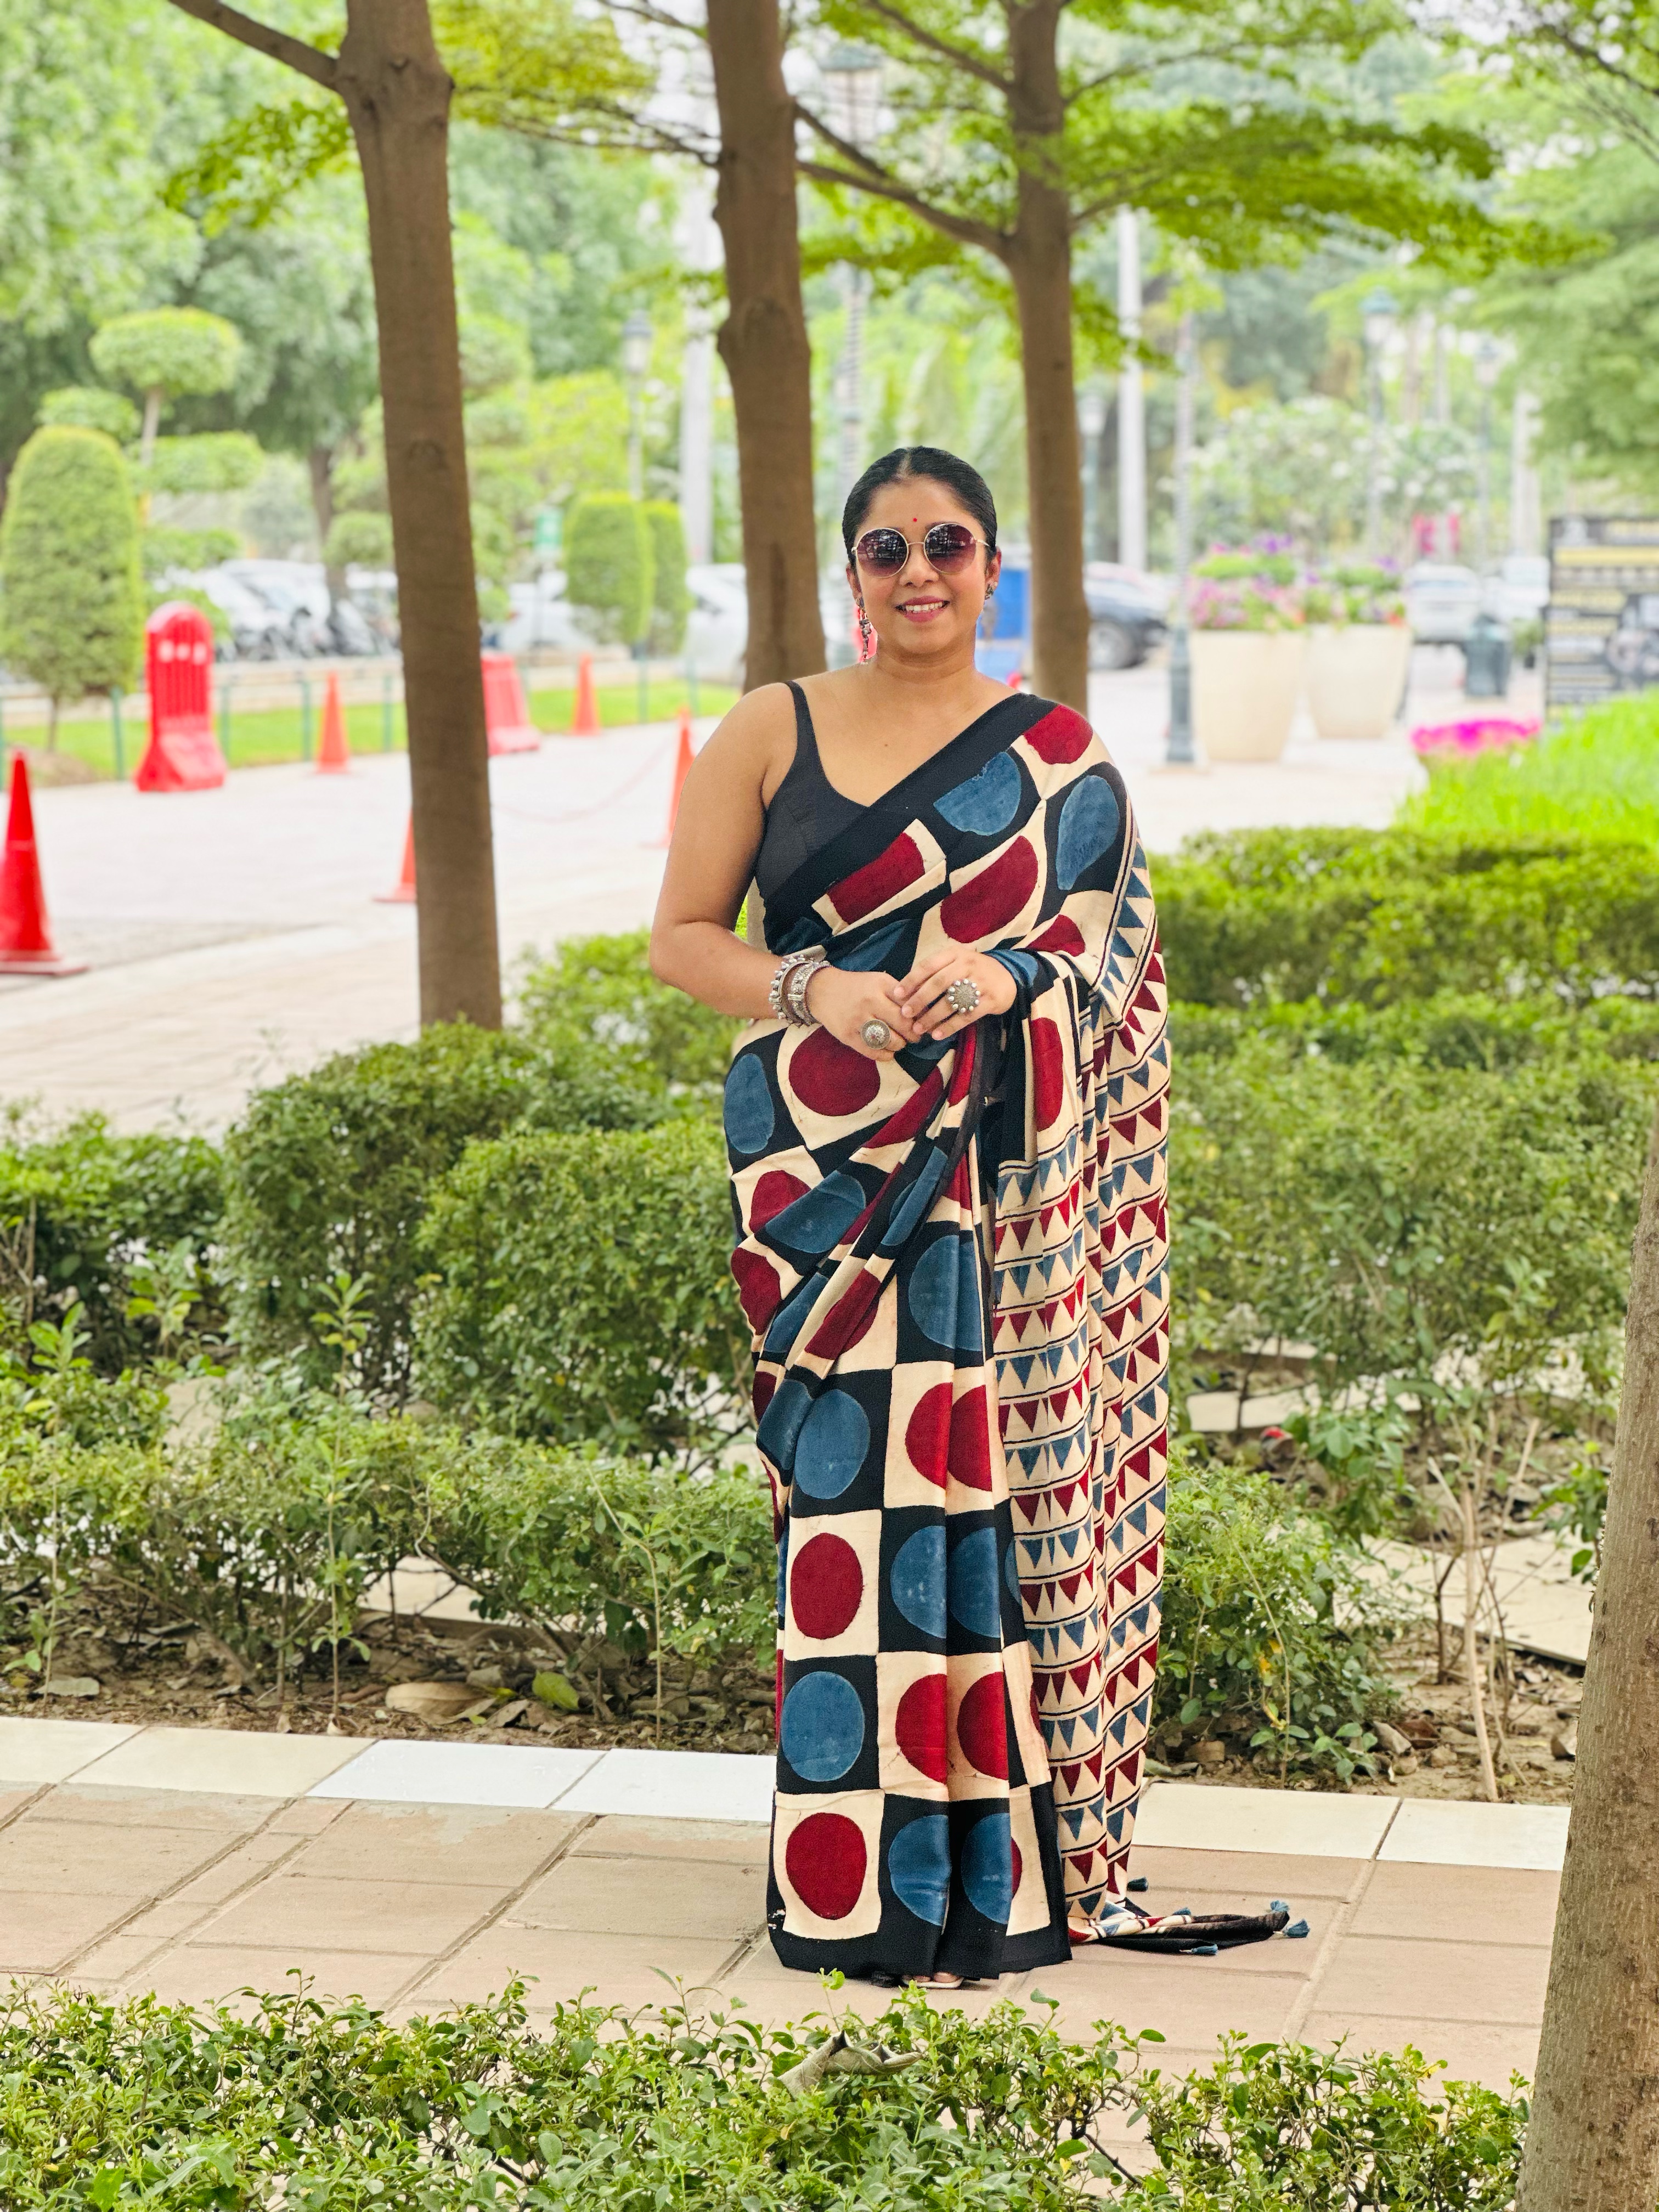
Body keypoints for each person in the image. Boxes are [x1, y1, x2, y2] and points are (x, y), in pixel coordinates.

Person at [650, 446, 1169, 1985]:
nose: (918, 572)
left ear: (991, 567)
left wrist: (1010, 977)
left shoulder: (1061, 759)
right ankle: (856, 1885)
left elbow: (1115, 966)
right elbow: (683, 940)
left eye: (948, 544)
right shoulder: (773, 728)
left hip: (992, 1174)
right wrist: (817, 987)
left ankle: (982, 1882)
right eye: (888, 549)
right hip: (816, 1170)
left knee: (975, 1497)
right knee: (846, 1506)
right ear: (853, 574)